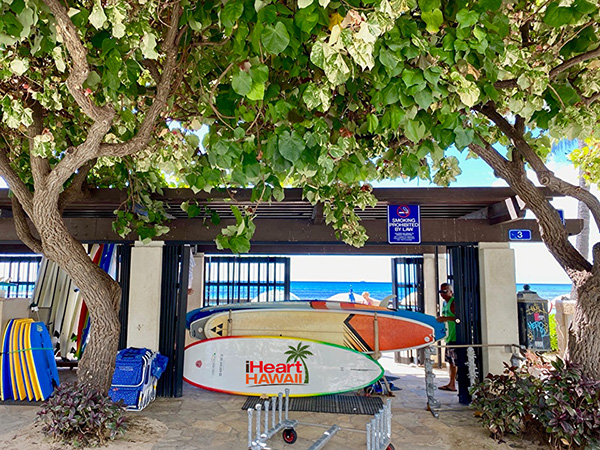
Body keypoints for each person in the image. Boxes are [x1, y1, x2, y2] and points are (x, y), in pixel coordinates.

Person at [436, 283, 457, 391]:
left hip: (455, 337)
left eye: (445, 291)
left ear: (451, 292)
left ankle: (453, 383)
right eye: (440, 292)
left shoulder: (453, 302)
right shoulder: (445, 303)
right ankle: (451, 383)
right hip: (449, 337)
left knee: (455, 362)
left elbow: (459, 318)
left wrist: (445, 319)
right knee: (450, 362)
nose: (442, 294)